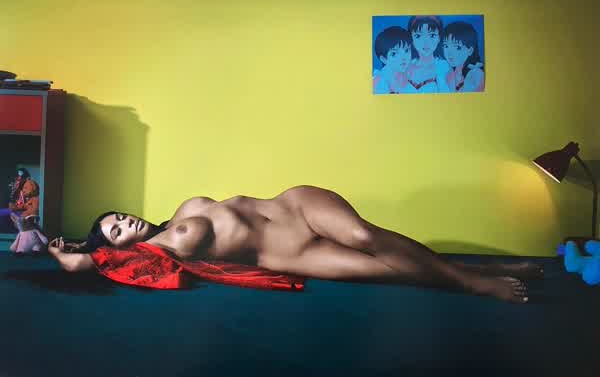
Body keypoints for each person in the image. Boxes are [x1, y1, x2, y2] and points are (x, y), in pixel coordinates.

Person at [48, 185, 541, 303]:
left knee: (365, 236)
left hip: (295, 206)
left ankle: (478, 282)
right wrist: (56, 247)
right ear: (115, 248)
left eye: (119, 216)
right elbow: (80, 266)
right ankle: (477, 273)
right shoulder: (162, 255)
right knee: (392, 269)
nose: (125, 222)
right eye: (115, 230)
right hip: (296, 255)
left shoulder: (180, 212)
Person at [405, 16, 451, 93]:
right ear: (411, 39)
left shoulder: (444, 67)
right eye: (418, 36)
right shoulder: (406, 66)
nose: (425, 42)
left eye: (432, 35)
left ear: (439, 38)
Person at [442, 21, 485, 92]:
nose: (449, 52)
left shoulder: (475, 74)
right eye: (446, 46)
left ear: (470, 50)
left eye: (457, 47)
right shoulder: (449, 73)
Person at [372, 26, 413, 94]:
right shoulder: (379, 83)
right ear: (383, 59)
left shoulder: (407, 78)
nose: (403, 57)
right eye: (394, 54)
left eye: (406, 50)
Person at [8, 168, 40, 232]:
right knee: (12, 214)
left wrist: (16, 190)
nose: (18, 181)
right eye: (17, 179)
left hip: (30, 215)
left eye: (20, 178)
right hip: (25, 213)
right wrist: (13, 194)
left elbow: (30, 193)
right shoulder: (19, 189)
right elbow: (17, 206)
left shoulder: (29, 183)